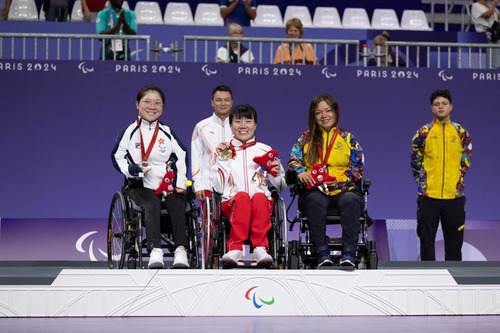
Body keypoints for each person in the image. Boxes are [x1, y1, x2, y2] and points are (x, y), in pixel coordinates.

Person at [112, 85, 190, 269]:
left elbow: (182, 155)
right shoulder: (129, 131)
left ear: (162, 107)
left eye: (157, 103)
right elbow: (117, 156)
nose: (152, 106)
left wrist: (179, 183)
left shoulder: (167, 132)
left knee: (179, 202)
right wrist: (131, 169)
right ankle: (155, 250)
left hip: (167, 183)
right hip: (139, 185)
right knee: (151, 203)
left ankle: (180, 251)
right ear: (137, 104)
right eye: (147, 102)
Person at [287, 93, 364, 268]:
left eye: (328, 111)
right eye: (319, 112)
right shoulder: (306, 138)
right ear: (313, 116)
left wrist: (339, 181)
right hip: (315, 190)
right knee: (314, 200)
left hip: (343, 189)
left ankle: (349, 252)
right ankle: (321, 251)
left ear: (336, 112)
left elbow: (358, 167)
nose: (324, 116)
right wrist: (300, 172)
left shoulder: (348, 138)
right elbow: (292, 160)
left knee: (352, 200)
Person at [213, 104, 287, 268]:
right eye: (238, 121)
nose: (243, 126)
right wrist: (223, 160)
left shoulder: (265, 150)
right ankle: (235, 248)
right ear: (231, 126)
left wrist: (274, 173)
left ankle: (260, 248)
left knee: (260, 197)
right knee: (242, 197)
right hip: (232, 203)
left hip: (261, 205)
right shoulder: (224, 150)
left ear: (255, 125)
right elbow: (218, 187)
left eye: (248, 121)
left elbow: (281, 186)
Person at [411, 89, 472, 261]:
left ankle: (453, 282)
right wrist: (424, 182)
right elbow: (415, 162)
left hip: (455, 196)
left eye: (444, 103)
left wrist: (456, 181)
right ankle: (428, 279)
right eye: (437, 104)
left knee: (454, 242)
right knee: (426, 240)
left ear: (451, 106)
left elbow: (465, 161)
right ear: (432, 108)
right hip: (428, 195)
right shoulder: (423, 132)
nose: (441, 107)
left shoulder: (461, 133)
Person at [191, 85, 234, 204]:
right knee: (210, 222)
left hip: (235, 185)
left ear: (231, 102)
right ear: (212, 102)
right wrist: (198, 185)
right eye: (218, 100)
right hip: (208, 185)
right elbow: (196, 157)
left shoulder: (240, 127)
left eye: (227, 100)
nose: (223, 103)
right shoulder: (201, 127)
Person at [471, 0, 500, 69]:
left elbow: (498, 16)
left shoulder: (491, 6)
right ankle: (491, 72)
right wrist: (495, 3)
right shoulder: (475, 6)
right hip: (484, 34)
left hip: (496, 33)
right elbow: (487, 15)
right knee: (490, 59)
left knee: (497, 58)